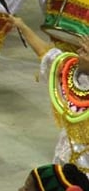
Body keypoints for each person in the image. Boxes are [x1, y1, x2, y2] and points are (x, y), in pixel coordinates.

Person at [12, 19, 89, 173]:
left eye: (85, 51)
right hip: (64, 158)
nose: (79, 52)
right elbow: (45, 53)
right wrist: (22, 25)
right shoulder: (70, 71)